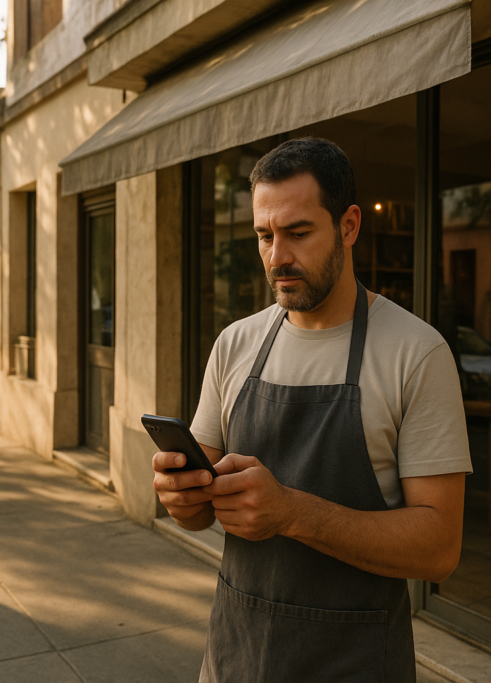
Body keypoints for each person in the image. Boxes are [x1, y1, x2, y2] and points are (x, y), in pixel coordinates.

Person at [153, 138, 472, 682]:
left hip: (356, 663)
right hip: (237, 657)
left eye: (298, 233)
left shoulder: (417, 354)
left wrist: (292, 512)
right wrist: (179, 496)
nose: (277, 256)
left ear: (348, 226)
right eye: (264, 236)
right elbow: (199, 510)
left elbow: (439, 549)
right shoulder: (235, 345)